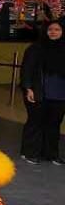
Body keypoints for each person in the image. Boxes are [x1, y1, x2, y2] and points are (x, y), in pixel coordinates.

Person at [20, 20, 65, 165]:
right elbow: (26, 69)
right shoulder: (36, 48)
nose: (53, 32)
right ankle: (29, 152)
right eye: (50, 29)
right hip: (38, 92)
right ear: (45, 31)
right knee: (35, 122)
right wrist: (28, 88)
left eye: (57, 29)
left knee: (54, 124)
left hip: (60, 94)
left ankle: (51, 154)